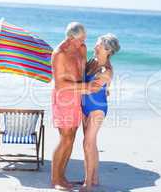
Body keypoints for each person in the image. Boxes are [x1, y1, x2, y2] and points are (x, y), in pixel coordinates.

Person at [51, 22, 103, 190]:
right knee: (65, 137)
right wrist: (85, 87)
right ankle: (55, 179)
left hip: (78, 97)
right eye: (80, 40)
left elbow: (82, 70)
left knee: (72, 137)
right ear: (70, 38)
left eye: (84, 40)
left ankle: (62, 176)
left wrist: (97, 79)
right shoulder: (59, 54)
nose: (83, 43)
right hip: (64, 98)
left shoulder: (81, 48)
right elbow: (60, 84)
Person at [80, 33, 120, 192]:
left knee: (87, 144)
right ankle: (94, 178)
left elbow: (89, 87)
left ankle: (87, 184)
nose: (95, 47)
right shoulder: (92, 61)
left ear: (108, 50)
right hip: (84, 105)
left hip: (97, 108)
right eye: (96, 44)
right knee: (90, 144)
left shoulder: (106, 71)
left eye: (99, 45)